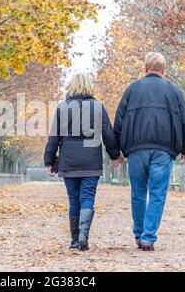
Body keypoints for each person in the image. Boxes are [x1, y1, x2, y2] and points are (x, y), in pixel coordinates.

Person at [114, 52, 185, 251]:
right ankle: (148, 237)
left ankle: (139, 234)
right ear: (163, 70)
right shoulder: (174, 91)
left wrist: (116, 152)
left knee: (138, 193)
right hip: (163, 150)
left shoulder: (132, 89)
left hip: (136, 149)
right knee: (158, 193)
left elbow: (119, 122)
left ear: (145, 68)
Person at [44, 74, 122, 251]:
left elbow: (53, 137)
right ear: (88, 87)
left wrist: (49, 160)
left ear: (71, 87)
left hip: (69, 161)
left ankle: (73, 240)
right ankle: (83, 236)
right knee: (87, 198)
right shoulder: (97, 107)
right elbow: (108, 135)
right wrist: (115, 155)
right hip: (91, 161)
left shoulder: (63, 108)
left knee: (73, 200)